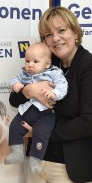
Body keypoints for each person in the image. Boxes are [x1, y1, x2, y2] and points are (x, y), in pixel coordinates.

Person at [9, 6, 92, 183]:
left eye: (61, 30)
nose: (56, 38)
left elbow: (90, 123)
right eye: (48, 35)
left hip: (72, 167)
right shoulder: (48, 65)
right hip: (39, 161)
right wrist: (30, 90)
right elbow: (14, 99)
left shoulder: (91, 65)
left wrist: (41, 134)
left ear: (75, 32)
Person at [5, 42, 68, 174]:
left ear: (47, 63)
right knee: (15, 126)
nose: (30, 65)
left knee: (41, 134)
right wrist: (15, 84)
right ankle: (17, 153)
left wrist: (54, 94)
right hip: (26, 111)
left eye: (35, 61)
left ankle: (35, 159)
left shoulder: (54, 73)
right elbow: (14, 80)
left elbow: (63, 86)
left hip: (46, 114)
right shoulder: (24, 74)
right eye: (27, 61)